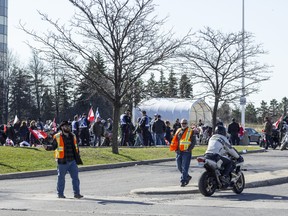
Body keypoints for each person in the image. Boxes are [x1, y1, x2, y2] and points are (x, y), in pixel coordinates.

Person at [44, 120, 83, 199]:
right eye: (66, 126)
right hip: (62, 161)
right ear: (62, 127)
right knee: (61, 178)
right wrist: (47, 147)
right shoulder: (57, 136)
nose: (68, 127)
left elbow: (76, 147)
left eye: (68, 126)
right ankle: (60, 194)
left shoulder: (73, 136)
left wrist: (78, 156)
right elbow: (53, 146)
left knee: (75, 178)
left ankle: (77, 193)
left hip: (72, 160)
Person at [170, 118, 196, 187]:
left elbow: (193, 142)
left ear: (187, 124)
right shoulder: (178, 130)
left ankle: (183, 180)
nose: (183, 124)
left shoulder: (191, 131)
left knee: (185, 167)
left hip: (186, 152)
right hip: (179, 151)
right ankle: (187, 176)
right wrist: (175, 148)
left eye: (185, 123)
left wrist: (189, 149)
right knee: (179, 166)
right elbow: (176, 140)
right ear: (180, 124)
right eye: (182, 123)